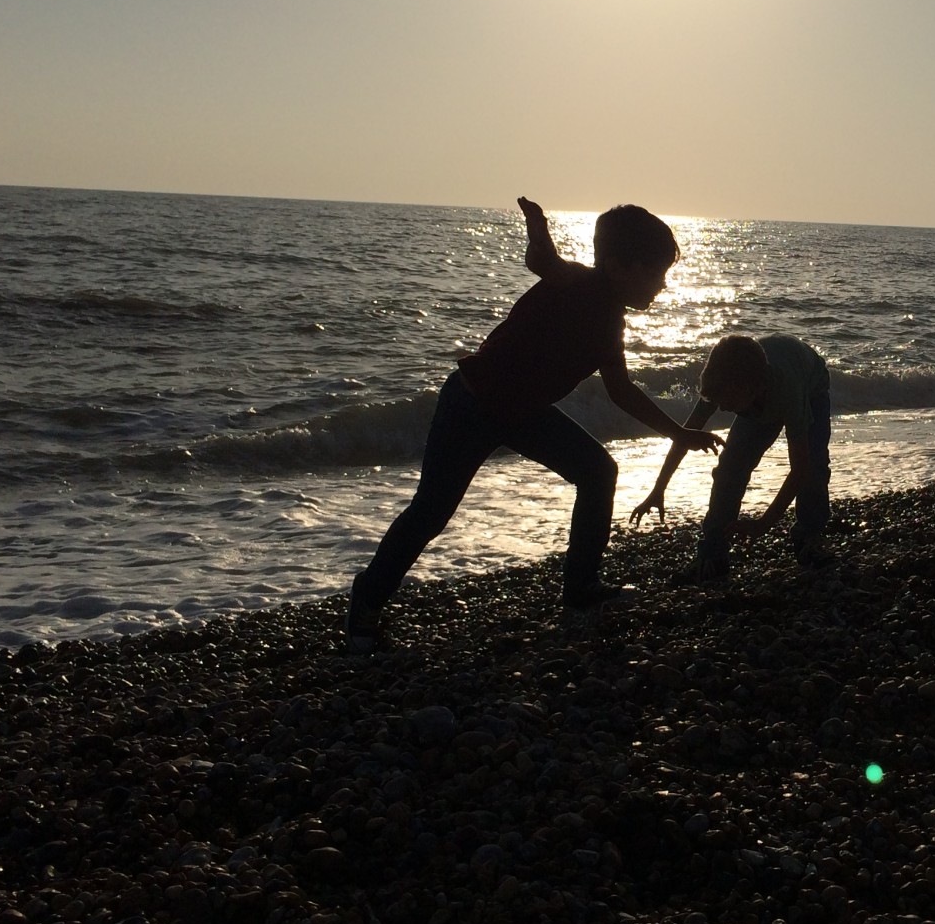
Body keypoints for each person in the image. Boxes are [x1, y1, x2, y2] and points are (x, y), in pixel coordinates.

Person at [346, 198, 722, 652]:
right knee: (431, 511)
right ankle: (366, 602)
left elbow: (621, 391)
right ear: (620, 267)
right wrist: (538, 225)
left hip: (523, 414)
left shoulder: (609, 318)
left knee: (598, 472)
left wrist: (679, 433)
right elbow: (541, 260)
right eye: (656, 273)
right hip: (473, 403)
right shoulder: (581, 284)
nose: (662, 285)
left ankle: (581, 589)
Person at [631, 332, 832, 581]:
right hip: (759, 399)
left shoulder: (789, 392)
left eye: (726, 401)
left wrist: (764, 523)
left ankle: (809, 537)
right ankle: (713, 554)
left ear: (750, 388)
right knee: (729, 469)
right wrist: (658, 489)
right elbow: (684, 436)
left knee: (814, 467)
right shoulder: (723, 384)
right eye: (716, 401)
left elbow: (799, 468)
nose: (722, 408)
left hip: (811, 389)